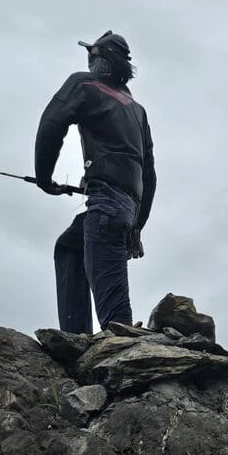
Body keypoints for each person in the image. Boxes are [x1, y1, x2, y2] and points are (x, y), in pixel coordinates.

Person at [34, 31, 156, 333]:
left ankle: (124, 350)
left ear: (99, 60)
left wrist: (44, 179)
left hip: (106, 209)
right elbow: (149, 176)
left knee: (116, 319)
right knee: (69, 246)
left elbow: (51, 125)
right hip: (125, 210)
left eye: (91, 56)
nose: (88, 62)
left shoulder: (84, 85)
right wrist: (137, 226)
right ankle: (76, 338)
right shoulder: (137, 110)